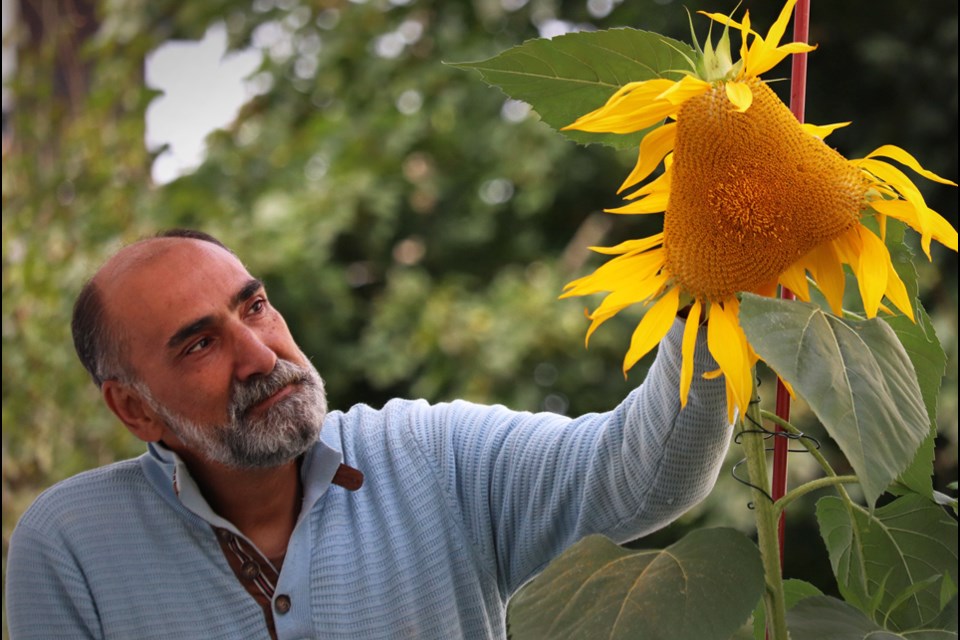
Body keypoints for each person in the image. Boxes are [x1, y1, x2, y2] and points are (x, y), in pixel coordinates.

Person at [5, 229, 732, 639]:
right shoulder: (71, 542)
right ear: (133, 409)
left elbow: (645, 476)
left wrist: (717, 272)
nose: (261, 356)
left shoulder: (432, 455)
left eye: (254, 307)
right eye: (199, 345)